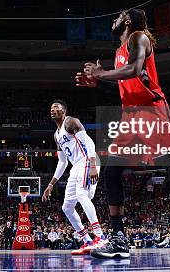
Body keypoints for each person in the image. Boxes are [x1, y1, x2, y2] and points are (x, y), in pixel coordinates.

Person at [77, 9, 170, 258]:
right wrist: (99, 81)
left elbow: (134, 69)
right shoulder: (117, 52)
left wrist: (101, 74)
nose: (112, 20)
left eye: (117, 17)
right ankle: (119, 239)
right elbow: (127, 84)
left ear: (126, 20)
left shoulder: (138, 37)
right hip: (131, 115)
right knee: (112, 170)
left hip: (151, 111)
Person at [42, 100, 106, 256]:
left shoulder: (71, 122)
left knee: (82, 195)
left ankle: (101, 237)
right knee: (67, 207)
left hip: (87, 160)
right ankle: (87, 241)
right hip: (76, 166)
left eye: (56, 107)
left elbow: (89, 143)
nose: (52, 110)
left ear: (63, 111)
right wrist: (51, 184)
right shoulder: (57, 135)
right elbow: (62, 162)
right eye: (51, 108)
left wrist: (92, 165)